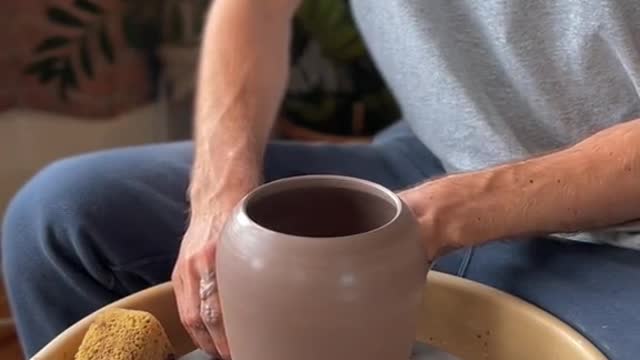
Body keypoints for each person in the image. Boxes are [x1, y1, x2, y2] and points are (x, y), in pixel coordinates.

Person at [3, 0, 640, 358]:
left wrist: (436, 217)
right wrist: (218, 196)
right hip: (436, 159)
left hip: (621, 233)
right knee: (60, 223)